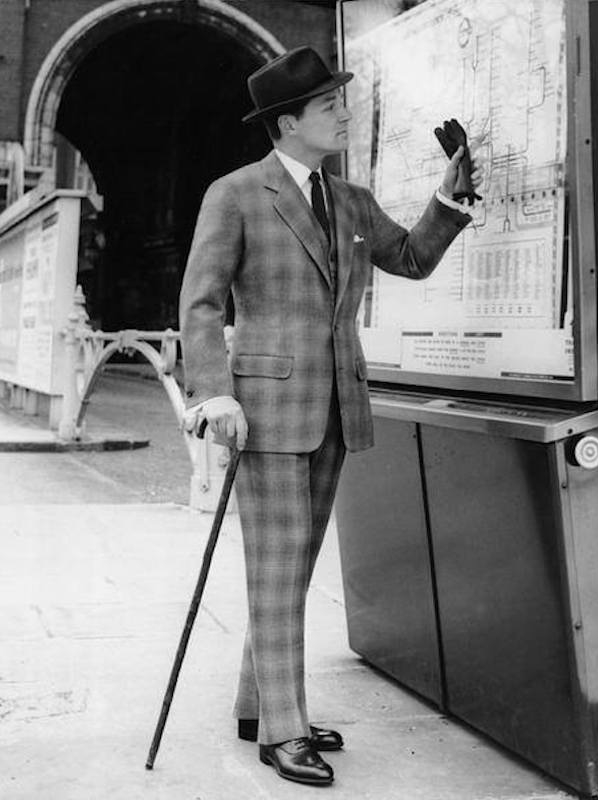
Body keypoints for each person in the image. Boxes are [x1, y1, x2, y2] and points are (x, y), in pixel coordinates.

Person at [179, 46, 482, 787]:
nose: (344, 113)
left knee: (291, 571)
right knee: (278, 574)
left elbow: (409, 258)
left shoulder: (348, 199)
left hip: (337, 408)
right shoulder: (236, 193)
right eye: (329, 106)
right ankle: (282, 733)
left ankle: (261, 706)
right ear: (288, 123)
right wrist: (213, 392)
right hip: (263, 411)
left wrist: (448, 199)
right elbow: (201, 301)